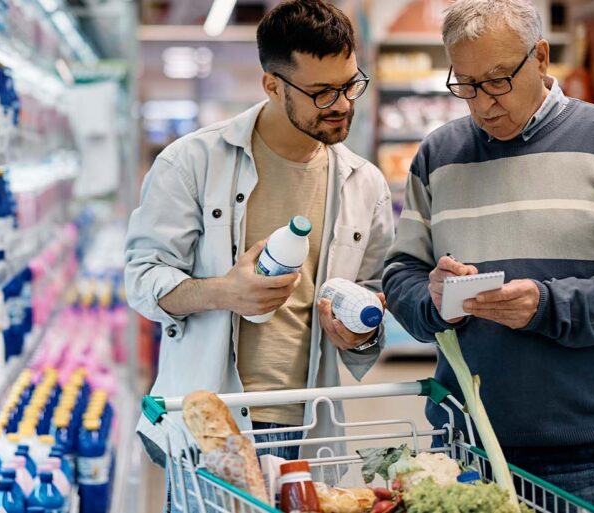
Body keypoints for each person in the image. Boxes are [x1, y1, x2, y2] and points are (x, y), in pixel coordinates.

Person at [382, 1, 594, 512]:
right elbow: (400, 274)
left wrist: (547, 306)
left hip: (578, 453)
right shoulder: (437, 155)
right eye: (467, 85)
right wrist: (433, 300)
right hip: (461, 446)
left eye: (499, 80)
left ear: (541, 57)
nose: (482, 105)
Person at [126, 0, 395, 470]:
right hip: (213, 424)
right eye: (322, 92)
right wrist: (224, 293)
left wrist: (360, 331)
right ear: (272, 84)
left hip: (312, 423)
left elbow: (372, 295)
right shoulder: (190, 163)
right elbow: (142, 280)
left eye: (350, 85)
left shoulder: (364, 183)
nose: (343, 105)